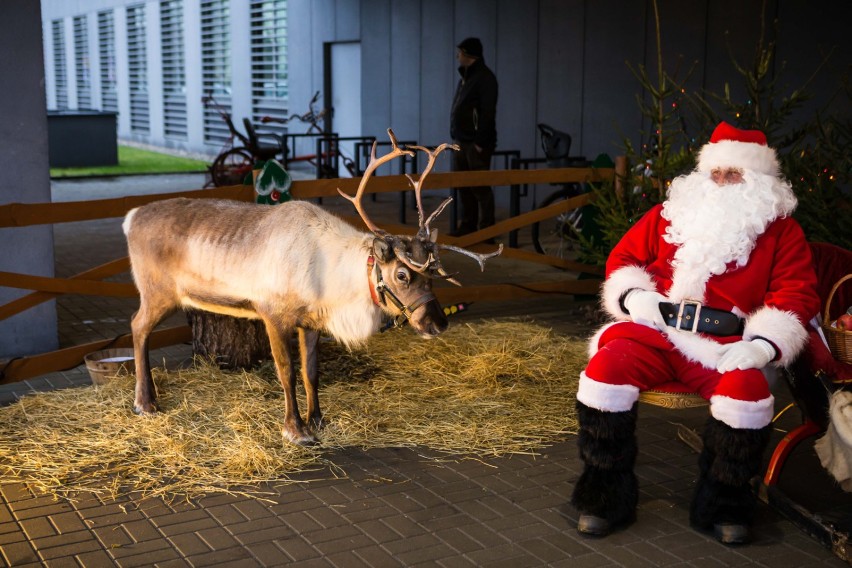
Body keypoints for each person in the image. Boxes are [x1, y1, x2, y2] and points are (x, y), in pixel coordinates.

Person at [570, 122, 820, 545]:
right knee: (605, 371)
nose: (721, 181)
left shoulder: (781, 232)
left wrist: (763, 345)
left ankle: (726, 503)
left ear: (758, 180)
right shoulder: (670, 214)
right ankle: (603, 494)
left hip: (723, 345)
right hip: (654, 332)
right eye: (716, 172)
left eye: (733, 174)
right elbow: (625, 256)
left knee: (746, 394)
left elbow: (795, 293)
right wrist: (635, 297)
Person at [450, 37, 498, 236]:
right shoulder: (466, 78)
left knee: (480, 187)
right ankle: (468, 226)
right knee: (464, 187)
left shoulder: (485, 78)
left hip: (475, 144)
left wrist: (479, 142)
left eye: (460, 52)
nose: (457, 55)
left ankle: (487, 230)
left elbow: (488, 112)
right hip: (462, 141)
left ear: (469, 55)